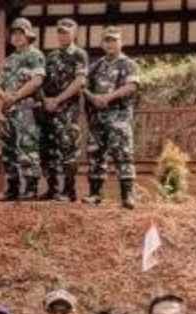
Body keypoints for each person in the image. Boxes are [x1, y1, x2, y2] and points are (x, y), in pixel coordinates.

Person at [84, 27, 140, 209]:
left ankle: (127, 196)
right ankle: (95, 194)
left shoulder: (128, 64)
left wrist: (107, 98)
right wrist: (92, 97)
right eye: (107, 40)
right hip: (98, 118)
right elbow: (82, 85)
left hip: (119, 118)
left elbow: (131, 86)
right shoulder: (96, 65)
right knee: (95, 155)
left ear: (120, 42)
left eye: (114, 40)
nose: (110, 44)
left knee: (123, 155)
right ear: (102, 43)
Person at [36, 19, 88, 201]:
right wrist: (45, 100)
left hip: (67, 110)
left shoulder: (79, 55)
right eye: (60, 32)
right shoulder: (50, 57)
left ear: (74, 33)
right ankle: (52, 189)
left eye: (66, 32)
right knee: (47, 150)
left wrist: (58, 99)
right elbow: (41, 81)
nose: (62, 35)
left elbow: (80, 81)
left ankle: (69, 191)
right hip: (49, 110)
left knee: (68, 150)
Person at [0, 19, 45, 201]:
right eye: (14, 33)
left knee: (27, 147)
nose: (16, 37)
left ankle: (31, 189)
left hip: (27, 109)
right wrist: (5, 96)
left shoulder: (35, 55)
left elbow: (37, 80)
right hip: (9, 110)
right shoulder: (10, 60)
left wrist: (16, 96)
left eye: (20, 33)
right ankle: (12, 188)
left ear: (28, 35)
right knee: (7, 149)